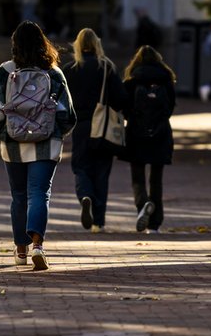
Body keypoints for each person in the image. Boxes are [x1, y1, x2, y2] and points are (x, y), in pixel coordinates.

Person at [0, 20, 76, 270]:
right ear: (42, 43)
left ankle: (20, 250)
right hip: (46, 145)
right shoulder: (54, 73)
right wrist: (54, 134)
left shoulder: (5, 71)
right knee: (39, 193)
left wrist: (5, 134)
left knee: (18, 196)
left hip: (13, 146)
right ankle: (38, 245)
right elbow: (68, 114)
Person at [62, 28, 127, 233]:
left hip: (80, 126)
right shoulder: (107, 67)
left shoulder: (70, 70)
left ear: (78, 45)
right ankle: (98, 222)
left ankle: (85, 196)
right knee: (102, 171)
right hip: (104, 126)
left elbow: (62, 101)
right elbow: (120, 99)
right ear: (98, 44)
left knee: (80, 167)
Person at [121, 45, 176, 233]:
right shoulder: (166, 79)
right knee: (156, 180)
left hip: (136, 133)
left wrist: (134, 118)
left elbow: (124, 106)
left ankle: (143, 205)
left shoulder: (132, 80)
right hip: (160, 133)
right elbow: (170, 107)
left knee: (137, 177)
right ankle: (155, 224)